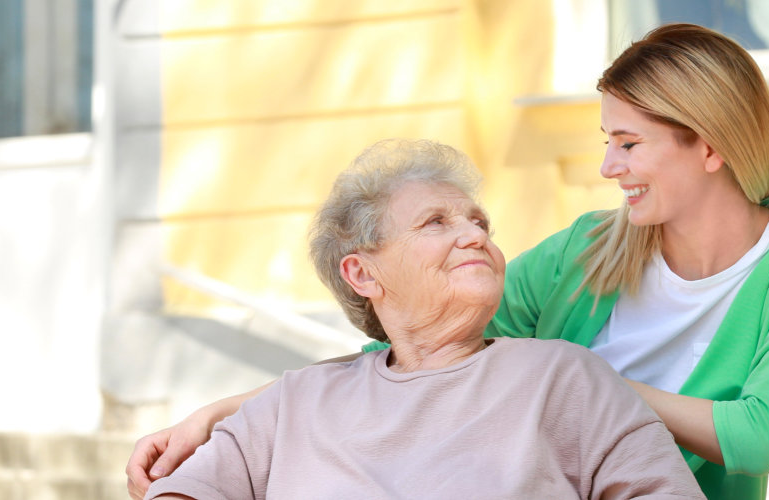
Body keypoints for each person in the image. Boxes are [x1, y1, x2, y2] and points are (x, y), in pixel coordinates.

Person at [130, 24, 769, 499]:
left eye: (629, 144)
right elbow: (413, 342)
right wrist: (225, 414)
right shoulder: (592, 247)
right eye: (606, 141)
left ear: (709, 145)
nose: (608, 166)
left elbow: (758, 436)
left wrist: (589, 382)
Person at [142, 139, 704, 500]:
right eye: (436, 222)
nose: (475, 235)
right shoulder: (294, 402)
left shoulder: (565, 378)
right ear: (363, 274)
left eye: (480, 223)